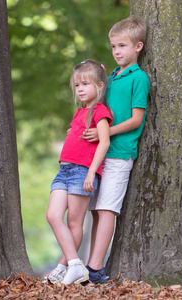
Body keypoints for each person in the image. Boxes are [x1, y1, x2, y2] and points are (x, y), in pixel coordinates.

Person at [83, 16, 150, 284]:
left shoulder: (139, 78)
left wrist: (105, 132)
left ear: (138, 47)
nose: (117, 52)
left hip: (120, 153)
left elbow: (136, 120)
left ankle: (95, 268)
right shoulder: (112, 78)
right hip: (98, 154)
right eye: (113, 47)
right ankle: (88, 264)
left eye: (122, 46)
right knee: (94, 209)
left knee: (107, 208)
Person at [46, 60, 113, 285]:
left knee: (75, 222)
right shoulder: (79, 112)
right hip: (63, 170)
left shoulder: (100, 111)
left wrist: (90, 173)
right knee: (53, 216)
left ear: (100, 86)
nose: (81, 88)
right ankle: (73, 264)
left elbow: (104, 143)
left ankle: (67, 267)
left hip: (82, 172)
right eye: (77, 85)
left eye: (86, 83)